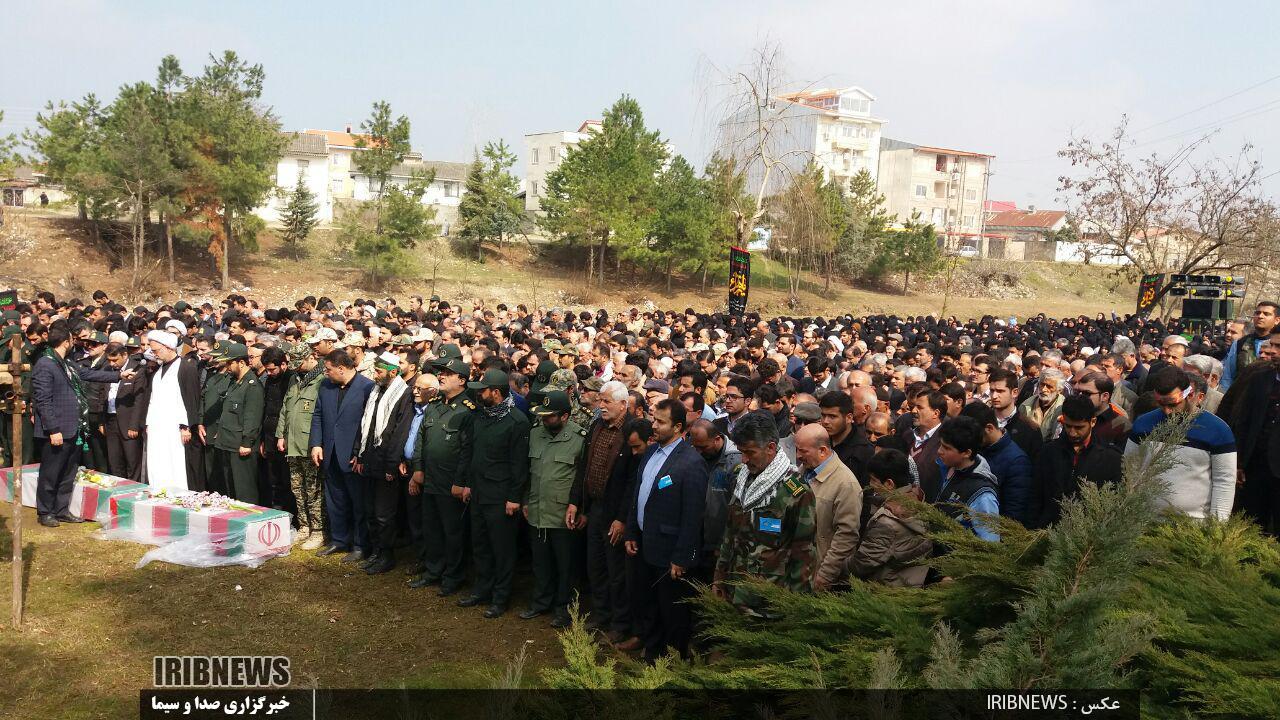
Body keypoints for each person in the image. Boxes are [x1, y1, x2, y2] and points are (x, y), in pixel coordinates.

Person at [624, 399, 706, 661]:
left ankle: (673, 662)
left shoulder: (691, 463)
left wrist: (681, 557)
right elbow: (638, 496)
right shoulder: (650, 453)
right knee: (647, 604)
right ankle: (652, 654)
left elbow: (693, 516)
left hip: (670, 554)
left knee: (672, 613)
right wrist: (631, 532)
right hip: (645, 545)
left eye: (660, 422)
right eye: (653, 420)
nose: (654, 426)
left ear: (678, 427)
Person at [714, 413, 816, 617]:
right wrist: (719, 577)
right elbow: (729, 534)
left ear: (770, 447)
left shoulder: (795, 492)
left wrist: (797, 605)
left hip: (768, 602)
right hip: (733, 592)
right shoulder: (741, 478)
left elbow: (804, 553)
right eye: (741, 452)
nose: (744, 459)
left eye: (750, 452)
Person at [567, 380, 639, 646]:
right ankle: (601, 615)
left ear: (623, 404)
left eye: (607, 401)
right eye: (600, 400)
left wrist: (622, 518)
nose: (602, 405)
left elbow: (633, 481)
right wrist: (577, 503)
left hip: (615, 514)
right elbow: (584, 467)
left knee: (616, 571)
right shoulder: (597, 425)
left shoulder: (631, 431)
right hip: (595, 508)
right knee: (595, 566)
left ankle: (620, 624)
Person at [31, 326, 127, 526]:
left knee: (68, 472)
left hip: (72, 427)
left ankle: (61, 509)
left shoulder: (66, 363)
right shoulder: (45, 364)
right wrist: (53, 429)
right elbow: (43, 401)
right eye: (71, 339)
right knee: (51, 472)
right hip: (56, 430)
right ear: (66, 342)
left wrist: (118, 376)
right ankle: (45, 512)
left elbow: (88, 374)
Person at [458, 368, 530, 619]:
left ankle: (501, 597)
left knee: (502, 549)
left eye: (483, 391)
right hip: (479, 492)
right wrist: (468, 484)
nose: (479, 395)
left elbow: (519, 465)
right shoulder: (481, 416)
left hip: (501, 497)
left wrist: (514, 498)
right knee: (480, 545)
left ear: (496, 393)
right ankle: (482, 590)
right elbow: (473, 453)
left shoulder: (517, 421)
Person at [1125, 367, 1236, 521]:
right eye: (1161, 404)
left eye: (1172, 404)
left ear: (1190, 395)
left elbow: (1224, 481)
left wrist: (1218, 524)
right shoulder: (1143, 423)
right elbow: (1129, 469)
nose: (1167, 411)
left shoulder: (1218, 430)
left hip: (1194, 523)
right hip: (1144, 518)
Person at [407, 356, 476, 594]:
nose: (441, 376)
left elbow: (468, 451)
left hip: (450, 482)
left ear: (462, 380)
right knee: (432, 529)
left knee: (453, 532)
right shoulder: (435, 404)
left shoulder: (468, 410)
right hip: (430, 479)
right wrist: (418, 468)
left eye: (447, 373)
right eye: (440, 372)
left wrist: (460, 482)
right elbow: (421, 438)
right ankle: (433, 571)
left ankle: (453, 577)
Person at [522, 391, 588, 629]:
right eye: (542, 415)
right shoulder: (535, 434)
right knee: (540, 562)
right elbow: (528, 472)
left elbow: (583, 479)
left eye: (549, 416)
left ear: (565, 416)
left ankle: (564, 609)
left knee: (565, 566)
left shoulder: (580, 438)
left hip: (563, 515)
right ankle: (541, 602)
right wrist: (525, 500)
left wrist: (582, 509)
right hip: (537, 510)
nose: (544, 419)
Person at [310, 349, 375, 562]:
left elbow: (369, 424)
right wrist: (316, 444)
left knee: (358, 503)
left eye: (328, 369)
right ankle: (339, 540)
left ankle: (360, 544)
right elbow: (318, 415)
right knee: (335, 500)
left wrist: (360, 453)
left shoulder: (367, 387)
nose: (325, 373)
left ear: (341, 368)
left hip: (352, 457)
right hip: (330, 453)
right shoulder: (326, 386)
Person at [355, 352, 413, 575]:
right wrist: (359, 454)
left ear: (392, 371)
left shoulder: (404, 394)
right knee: (370, 510)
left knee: (384, 513)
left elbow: (400, 432)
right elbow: (365, 424)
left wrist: (391, 465)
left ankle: (387, 555)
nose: (375, 375)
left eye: (379, 371)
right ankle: (376, 551)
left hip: (386, 461)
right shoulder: (375, 391)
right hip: (370, 457)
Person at [1035, 395, 1123, 528]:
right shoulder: (1048, 452)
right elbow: (1036, 494)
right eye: (1068, 426)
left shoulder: (1111, 458)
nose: (1072, 433)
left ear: (1093, 422)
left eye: (1079, 427)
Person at [849, 449, 932, 588]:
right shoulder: (917, 498)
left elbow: (863, 563)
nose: (870, 484)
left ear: (889, 484)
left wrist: (840, 567)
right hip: (910, 585)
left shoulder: (887, 522)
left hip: (885, 590)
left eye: (873, 480)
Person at [793, 424, 861, 591]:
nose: (797, 456)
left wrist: (825, 575)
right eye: (797, 449)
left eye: (803, 451)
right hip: (796, 570)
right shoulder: (803, 472)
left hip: (818, 575)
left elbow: (846, 536)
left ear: (822, 451)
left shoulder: (846, 484)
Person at [1226, 332, 1280, 533]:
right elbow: (1244, 422)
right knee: (1251, 526)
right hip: (1255, 468)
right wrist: (1239, 462)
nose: (1272, 351)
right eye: (1271, 345)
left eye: (1278, 347)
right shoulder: (1259, 379)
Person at [276, 343, 325, 549]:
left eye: (300, 363)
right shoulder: (295, 380)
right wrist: (281, 435)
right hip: (293, 444)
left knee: (314, 490)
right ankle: (304, 526)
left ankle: (318, 530)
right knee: (297, 488)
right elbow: (285, 409)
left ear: (311, 357)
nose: (296, 367)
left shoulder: (322, 380)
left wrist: (318, 443)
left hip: (309, 444)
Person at [142, 329, 201, 492]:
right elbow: (152, 399)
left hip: (176, 427)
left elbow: (190, 399)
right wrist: (148, 423)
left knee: (176, 461)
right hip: (158, 425)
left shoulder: (186, 367)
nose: (154, 354)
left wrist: (186, 426)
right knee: (158, 460)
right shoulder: (158, 370)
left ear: (168, 347)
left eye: (156, 350)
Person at [685, 419, 740, 585]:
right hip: (695, 537)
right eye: (695, 446)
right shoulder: (694, 453)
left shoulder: (735, 462)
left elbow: (736, 508)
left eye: (703, 447)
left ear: (717, 439)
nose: (698, 451)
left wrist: (723, 543)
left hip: (718, 541)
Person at [962, 401, 1034, 527]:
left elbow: (1013, 513)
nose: (970, 439)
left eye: (973, 434)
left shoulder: (1017, 461)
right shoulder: (978, 449)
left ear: (989, 428)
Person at [209, 343, 264, 503]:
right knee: (230, 490)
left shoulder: (252, 385)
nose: (227, 367)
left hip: (241, 445)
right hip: (227, 442)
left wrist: (247, 442)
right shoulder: (234, 382)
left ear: (241, 362)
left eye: (229, 363)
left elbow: (252, 417)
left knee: (244, 490)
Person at [934, 416, 1001, 542]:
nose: (939, 451)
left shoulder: (982, 495)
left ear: (966, 453)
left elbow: (990, 543)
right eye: (940, 445)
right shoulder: (947, 467)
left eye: (947, 448)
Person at [1222, 301, 1278, 391]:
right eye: (1257, 313)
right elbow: (1228, 376)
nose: (1260, 316)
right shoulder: (1240, 343)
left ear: (1277, 320)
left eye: (1266, 314)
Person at [902, 390, 946, 501]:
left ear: (935, 413)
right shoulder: (906, 435)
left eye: (919, 407)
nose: (913, 410)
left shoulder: (945, 442)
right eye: (914, 406)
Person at [1071, 371, 1131, 450]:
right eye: (1078, 392)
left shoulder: (1121, 425)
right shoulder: (1073, 414)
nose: (1080, 396)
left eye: (1087, 393)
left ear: (1105, 396)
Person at [1019, 368, 1064, 441]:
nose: (1043, 389)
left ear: (1059, 390)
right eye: (1042, 384)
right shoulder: (1026, 405)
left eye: (1049, 386)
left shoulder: (1063, 408)